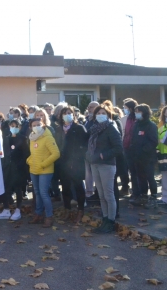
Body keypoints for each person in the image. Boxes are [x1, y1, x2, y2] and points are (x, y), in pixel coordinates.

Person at [87, 105, 122, 234]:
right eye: (98, 113)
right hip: (94, 163)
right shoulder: (94, 129)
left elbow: (118, 148)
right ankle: (105, 219)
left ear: (108, 115)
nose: (100, 115)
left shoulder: (111, 128)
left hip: (106, 165)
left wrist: (104, 155)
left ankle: (111, 221)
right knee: (101, 195)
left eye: (103, 113)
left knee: (108, 194)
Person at [56, 107, 88, 223]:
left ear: (74, 115)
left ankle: (80, 210)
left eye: (69, 113)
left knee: (78, 186)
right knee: (65, 188)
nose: (67, 115)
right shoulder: (59, 129)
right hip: (62, 163)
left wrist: (77, 157)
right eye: (65, 113)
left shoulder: (79, 128)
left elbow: (85, 145)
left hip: (76, 163)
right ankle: (67, 209)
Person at [26, 118, 60, 228]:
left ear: (43, 124)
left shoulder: (48, 137)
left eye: (38, 124)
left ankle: (49, 217)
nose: (36, 126)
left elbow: (56, 153)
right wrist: (29, 160)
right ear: (31, 127)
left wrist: (43, 164)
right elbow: (34, 153)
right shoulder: (32, 138)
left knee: (44, 193)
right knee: (37, 192)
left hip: (45, 170)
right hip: (34, 169)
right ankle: (38, 214)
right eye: (34, 125)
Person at [128, 104, 159, 208]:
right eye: (136, 111)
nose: (136, 113)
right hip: (136, 157)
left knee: (150, 177)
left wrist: (143, 150)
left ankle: (154, 197)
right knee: (140, 177)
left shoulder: (151, 126)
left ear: (145, 112)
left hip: (148, 157)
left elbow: (154, 141)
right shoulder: (136, 125)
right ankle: (143, 196)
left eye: (139, 111)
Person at [0, 119, 29, 221]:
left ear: (19, 127)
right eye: (11, 126)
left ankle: (18, 209)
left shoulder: (23, 138)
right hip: (7, 168)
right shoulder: (6, 138)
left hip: (19, 168)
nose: (13, 128)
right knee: (6, 188)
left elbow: (26, 154)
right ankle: (6, 208)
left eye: (15, 126)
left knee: (18, 189)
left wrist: (21, 165)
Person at [121, 98, 138, 200]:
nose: (124, 109)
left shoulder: (137, 119)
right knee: (125, 170)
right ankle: (126, 187)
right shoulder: (124, 119)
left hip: (135, 148)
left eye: (125, 108)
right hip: (125, 147)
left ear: (131, 108)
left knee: (134, 172)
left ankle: (136, 191)